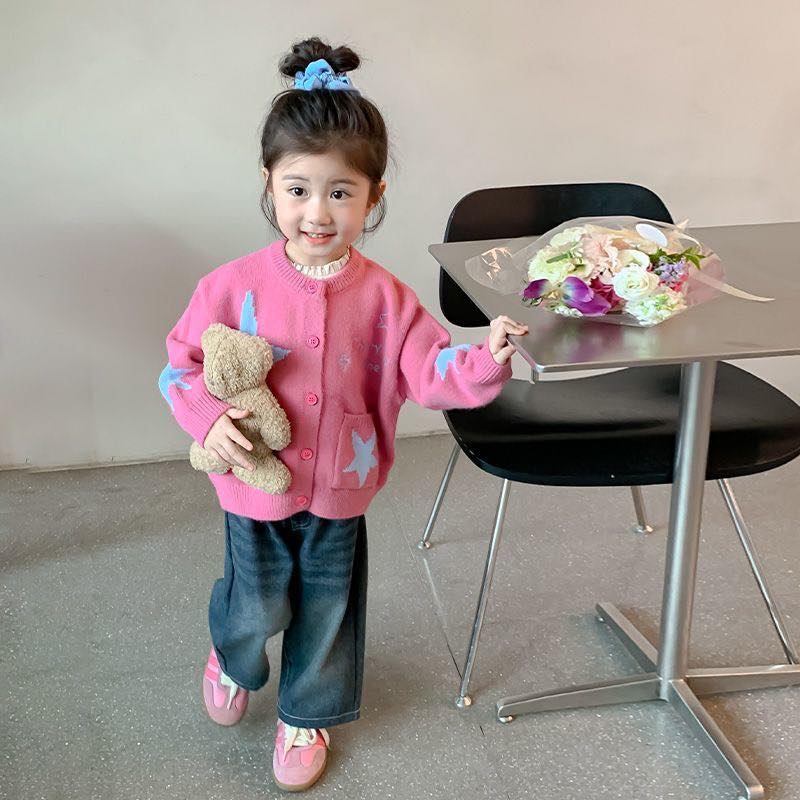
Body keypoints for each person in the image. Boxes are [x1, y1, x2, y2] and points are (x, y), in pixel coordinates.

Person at [159, 35, 528, 793]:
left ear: (373, 195)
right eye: (298, 189)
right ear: (269, 184)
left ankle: (306, 713)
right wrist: (206, 418)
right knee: (256, 604)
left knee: (327, 610)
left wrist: (487, 356)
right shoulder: (230, 286)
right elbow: (179, 365)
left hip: (340, 490)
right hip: (251, 484)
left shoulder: (387, 298)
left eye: (340, 192)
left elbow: (431, 372)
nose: (317, 212)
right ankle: (232, 658)